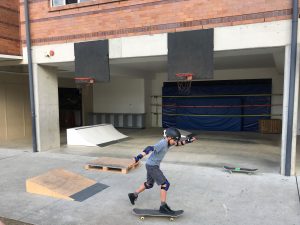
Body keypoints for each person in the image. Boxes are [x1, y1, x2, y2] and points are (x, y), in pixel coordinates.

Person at [128, 128, 196, 215]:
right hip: (152, 166)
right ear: (169, 137)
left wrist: (188, 141)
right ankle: (163, 206)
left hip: (150, 165)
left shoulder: (169, 142)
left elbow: (178, 144)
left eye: (176, 140)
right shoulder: (162, 143)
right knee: (165, 184)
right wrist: (137, 158)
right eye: (174, 140)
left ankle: (133, 195)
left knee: (149, 184)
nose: (175, 142)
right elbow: (149, 148)